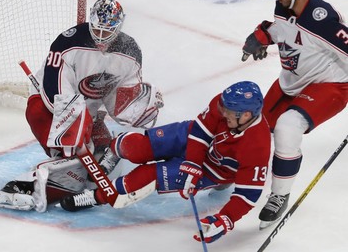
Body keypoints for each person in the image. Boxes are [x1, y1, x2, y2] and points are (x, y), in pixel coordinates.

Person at [0, 0, 164, 212]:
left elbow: (121, 98)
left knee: (96, 157)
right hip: (47, 106)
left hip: (87, 113)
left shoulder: (131, 52)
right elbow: (55, 91)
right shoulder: (67, 42)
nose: (100, 38)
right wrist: (75, 125)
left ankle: (73, 166)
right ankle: (28, 185)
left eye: (107, 32)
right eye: (97, 30)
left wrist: (139, 108)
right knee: (71, 159)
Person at [59, 81, 271, 243]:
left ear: (246, 116)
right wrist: (193, 163)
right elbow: (200, 132)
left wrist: (226, 219)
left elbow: (248, 194)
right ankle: (114, 150)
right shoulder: (224, 103)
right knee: (139, 149)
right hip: (192, 138)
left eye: (228, 112)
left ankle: (96, 196)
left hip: (213, 170)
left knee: (147, 177)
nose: (222, 113)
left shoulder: (258, 146)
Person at [241, 0, 348, 229]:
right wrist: (263, 36)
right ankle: (229, 173)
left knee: (287, 127)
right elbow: (285, 29)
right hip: (292, 80)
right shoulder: (284, 4)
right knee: (251, 128)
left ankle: (279, 195)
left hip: (329, 84)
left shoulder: (322, 18)